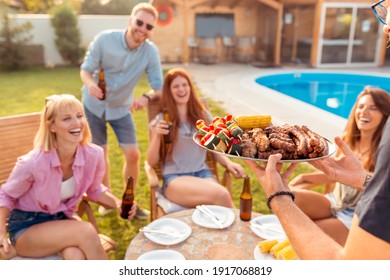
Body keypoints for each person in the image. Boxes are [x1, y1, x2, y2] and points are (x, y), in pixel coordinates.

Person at [0, 94, 136, 260]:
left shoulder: (93, 155)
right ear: (52, 126)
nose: (77, 123)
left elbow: (94, 189)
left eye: (79, 116)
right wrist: (1, 233)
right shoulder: (33, 163)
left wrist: (116, 203)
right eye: (66, 119)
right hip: (27, 227)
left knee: (75, 256)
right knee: (86, 230)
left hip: (62, 220)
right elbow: (6, 195)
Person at [80, 2, 163, 219]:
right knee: (100, 153)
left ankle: (129, 202)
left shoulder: (150, 52)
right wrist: (90, 84)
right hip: (94, 105)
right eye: (140, 23)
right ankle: (106, 201)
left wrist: (146, 97)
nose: (143, 29)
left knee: (133, 154)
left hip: (121, 108)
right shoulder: (104, 39)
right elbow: (85, 71)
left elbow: (158, 86)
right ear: (130, 20)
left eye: (149, 26)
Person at [288, 87, 390, 245]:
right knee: (287, 198)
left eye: (373, 108)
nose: (364, 112)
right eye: (361, 106)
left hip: (356, 214)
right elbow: (338, 175)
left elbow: (381, 190)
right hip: (335, 201)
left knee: (308, 234)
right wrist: (306, 177)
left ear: (385, 114)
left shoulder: (384, 151)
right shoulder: (347, 140)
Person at [147, 68, 246, 208]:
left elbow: (214, 148)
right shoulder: (163, 120)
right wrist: (157, 136)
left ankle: (236, 227)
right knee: (222, 195)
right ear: (169, 91)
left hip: (203, 174)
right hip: (175, 178)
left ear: (190, 87)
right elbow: (151, 162)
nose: (181, 89)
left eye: (184, 85)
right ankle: (241, 227)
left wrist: (228, 163)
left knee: (218, 207)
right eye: (176, 86)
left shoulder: (203, 116)